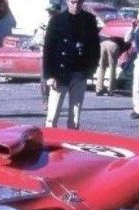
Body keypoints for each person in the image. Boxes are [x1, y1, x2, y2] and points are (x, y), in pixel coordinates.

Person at [42, 0, 100, 129]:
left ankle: (72, 138)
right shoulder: (57, 20)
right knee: (53, 114)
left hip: (80, 72)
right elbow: (48, 49)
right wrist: (49, 75)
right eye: (73, 2)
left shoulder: (89, 20)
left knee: (75, 114)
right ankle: (50, 138)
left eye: (79, 2)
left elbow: (95, 47)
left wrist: (91, 69)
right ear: (67, 2)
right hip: (59, 73)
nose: (76, 5)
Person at [36, 3, 61, 109]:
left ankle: (55, 101)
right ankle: (46, 101)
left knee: (58, 79)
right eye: (49, 12)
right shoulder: (43, 25)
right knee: (45, 79)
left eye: (53, 12)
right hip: (46, 55)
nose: (50, 14)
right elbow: (38, 39)